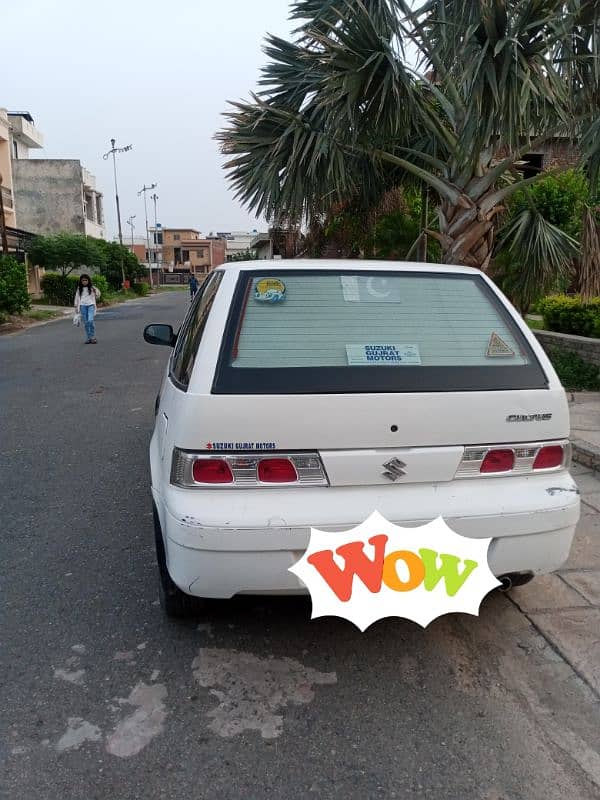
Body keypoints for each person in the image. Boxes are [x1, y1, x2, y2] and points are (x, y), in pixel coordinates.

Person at [74, 274, 101, 344]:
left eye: (86, 280)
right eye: (83, 280)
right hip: (82, 306)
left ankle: (92, 336)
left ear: (88, 280)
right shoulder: (79, 288)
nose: (84, 281)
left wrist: (95, 292)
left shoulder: (92, 288)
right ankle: (89, 338)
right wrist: (76, 306)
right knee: (86, 323)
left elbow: (98, 296)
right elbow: (76, 298)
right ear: (81, 281)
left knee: (90, 320)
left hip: (91, 305)